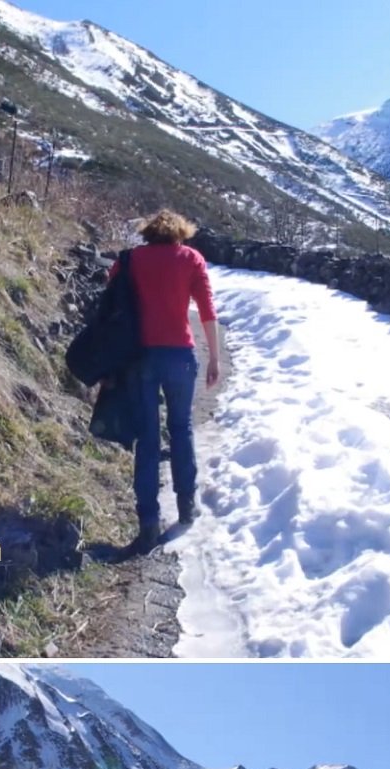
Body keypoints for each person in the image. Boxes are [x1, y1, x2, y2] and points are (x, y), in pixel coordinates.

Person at [108, 209, 221, 553]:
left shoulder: (130, 260)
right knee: (182, 427)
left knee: (148, 438)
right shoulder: (191, 258)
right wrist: (214, 358)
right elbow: (207, 311)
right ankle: (186, 505)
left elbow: (110, 305)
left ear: (148, 233)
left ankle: (147, 523)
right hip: (180, 357)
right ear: (181, 233)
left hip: (141, 357)